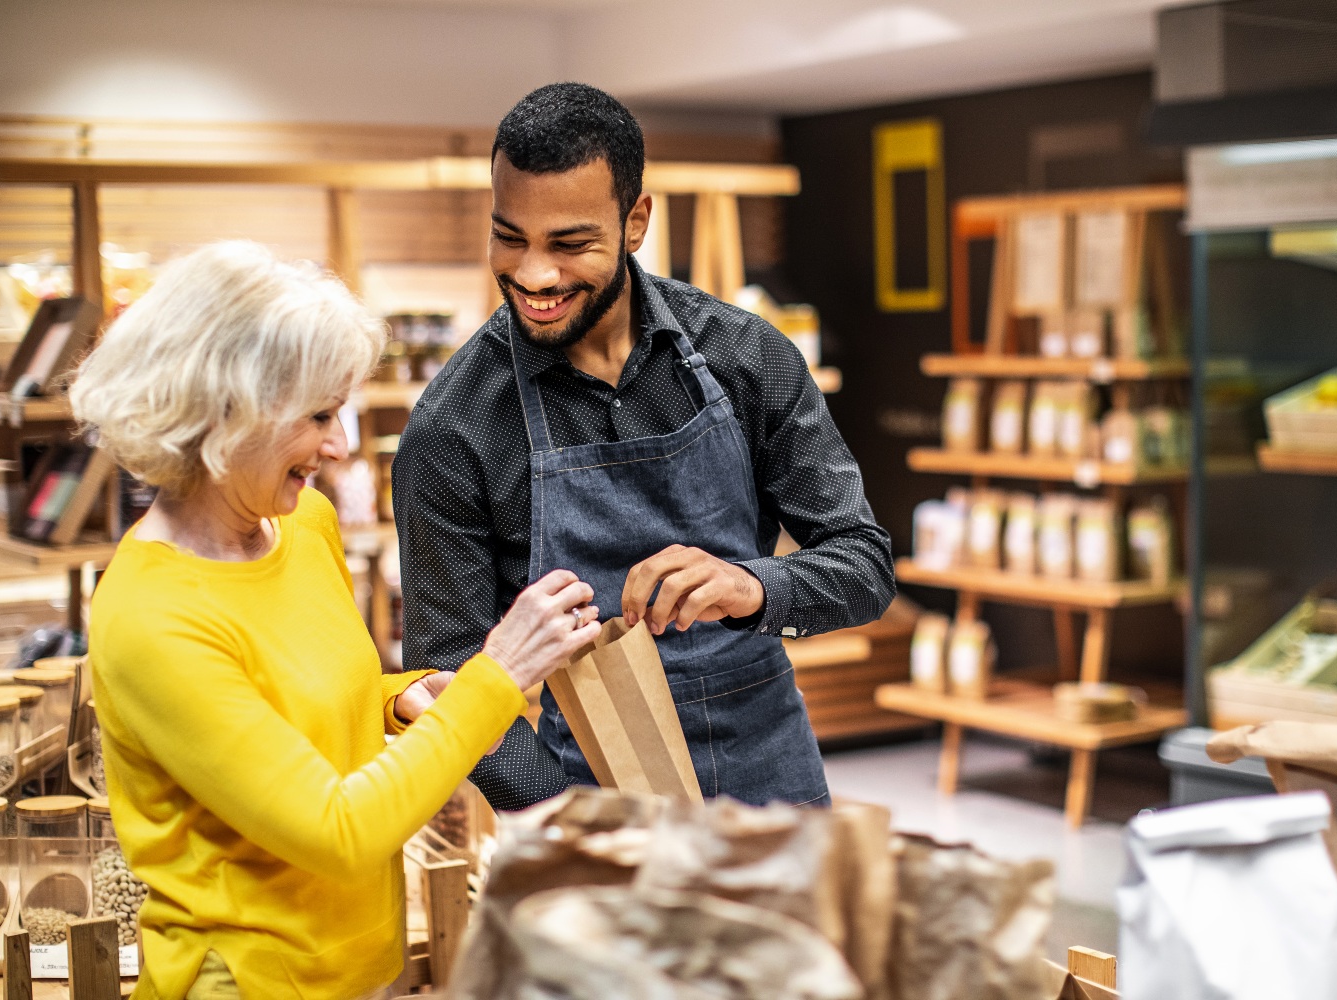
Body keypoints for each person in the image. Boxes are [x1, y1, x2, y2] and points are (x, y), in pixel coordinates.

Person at [71, 241, 602, 1000]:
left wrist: (399, 698)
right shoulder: (153, 619)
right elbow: (339, 832)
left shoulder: (302, 525)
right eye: (319, 415)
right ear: (225, 415)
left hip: (354, 964)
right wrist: (497, 676)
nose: (340, 445)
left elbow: (293, 701)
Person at [394, 82, 894, 811]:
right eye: (511, 237)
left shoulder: (744, 358)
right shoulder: (455, 429)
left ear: (635, 222)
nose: (535, 276)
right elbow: (446, 685)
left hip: (772, 786)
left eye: (570, 244)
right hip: (588, 803)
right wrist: (572, 811)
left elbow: (864, 563)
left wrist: (751, 587)